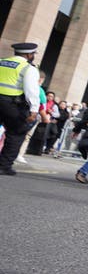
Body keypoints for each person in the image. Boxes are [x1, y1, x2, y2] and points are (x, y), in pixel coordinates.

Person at [0, 42, 40, 175]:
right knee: (16, 133)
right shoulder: (28, 68)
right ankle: (3, 166)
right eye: (33, 54)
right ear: (29, 54)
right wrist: (34, 110)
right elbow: (31, 91)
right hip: (11, 105)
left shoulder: (1, 61)